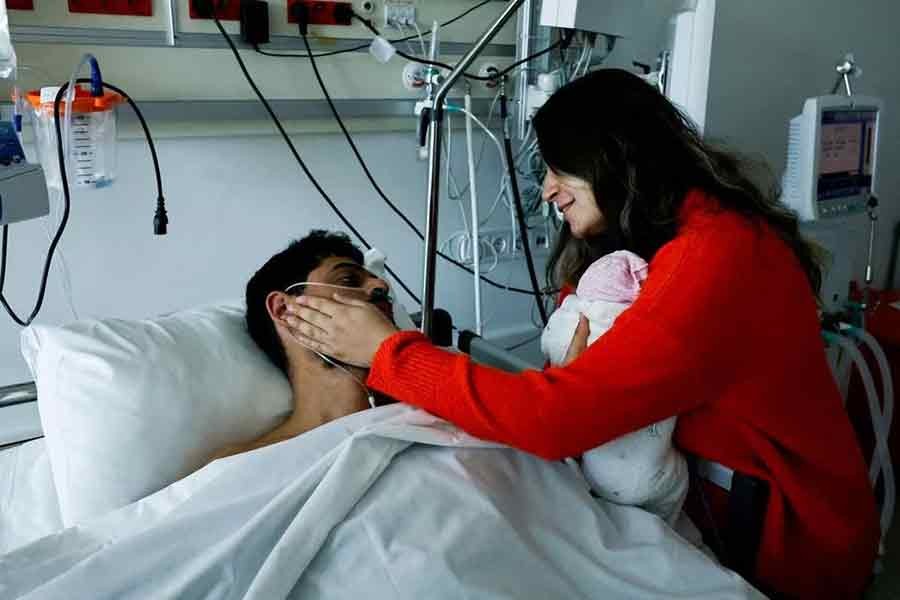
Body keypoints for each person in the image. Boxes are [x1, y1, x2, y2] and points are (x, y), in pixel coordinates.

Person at [284, 69, 880, 599]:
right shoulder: (663, 247)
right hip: (710, 512)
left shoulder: (716, 259)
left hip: (789, 545)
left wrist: (389, 353)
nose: (546, 190)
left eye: (556, 168)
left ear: (610, 160)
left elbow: (555, 417)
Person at [209, 231, 394, 462]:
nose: (381, 286)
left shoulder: (432, 413)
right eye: (348, 280)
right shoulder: (240, 464)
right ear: (284, 310)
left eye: (377, 279)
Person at [541, 250, 688, 525]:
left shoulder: (572, 314)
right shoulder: (638, 319)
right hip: (643, 472)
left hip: (594, 470)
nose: (549, 202)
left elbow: (550, 342)